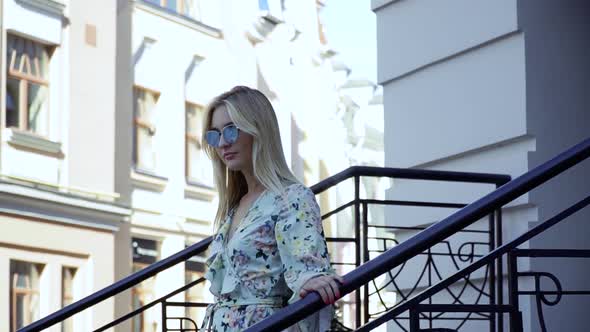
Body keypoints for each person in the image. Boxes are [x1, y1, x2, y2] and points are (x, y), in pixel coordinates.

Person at [200, 86, 343, 331]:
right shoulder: (236, 205)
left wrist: (312, 281)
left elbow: (307, 271)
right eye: (214, 135)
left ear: (259, 130)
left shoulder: (292, 198)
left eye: (231, 130)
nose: (222, 143)